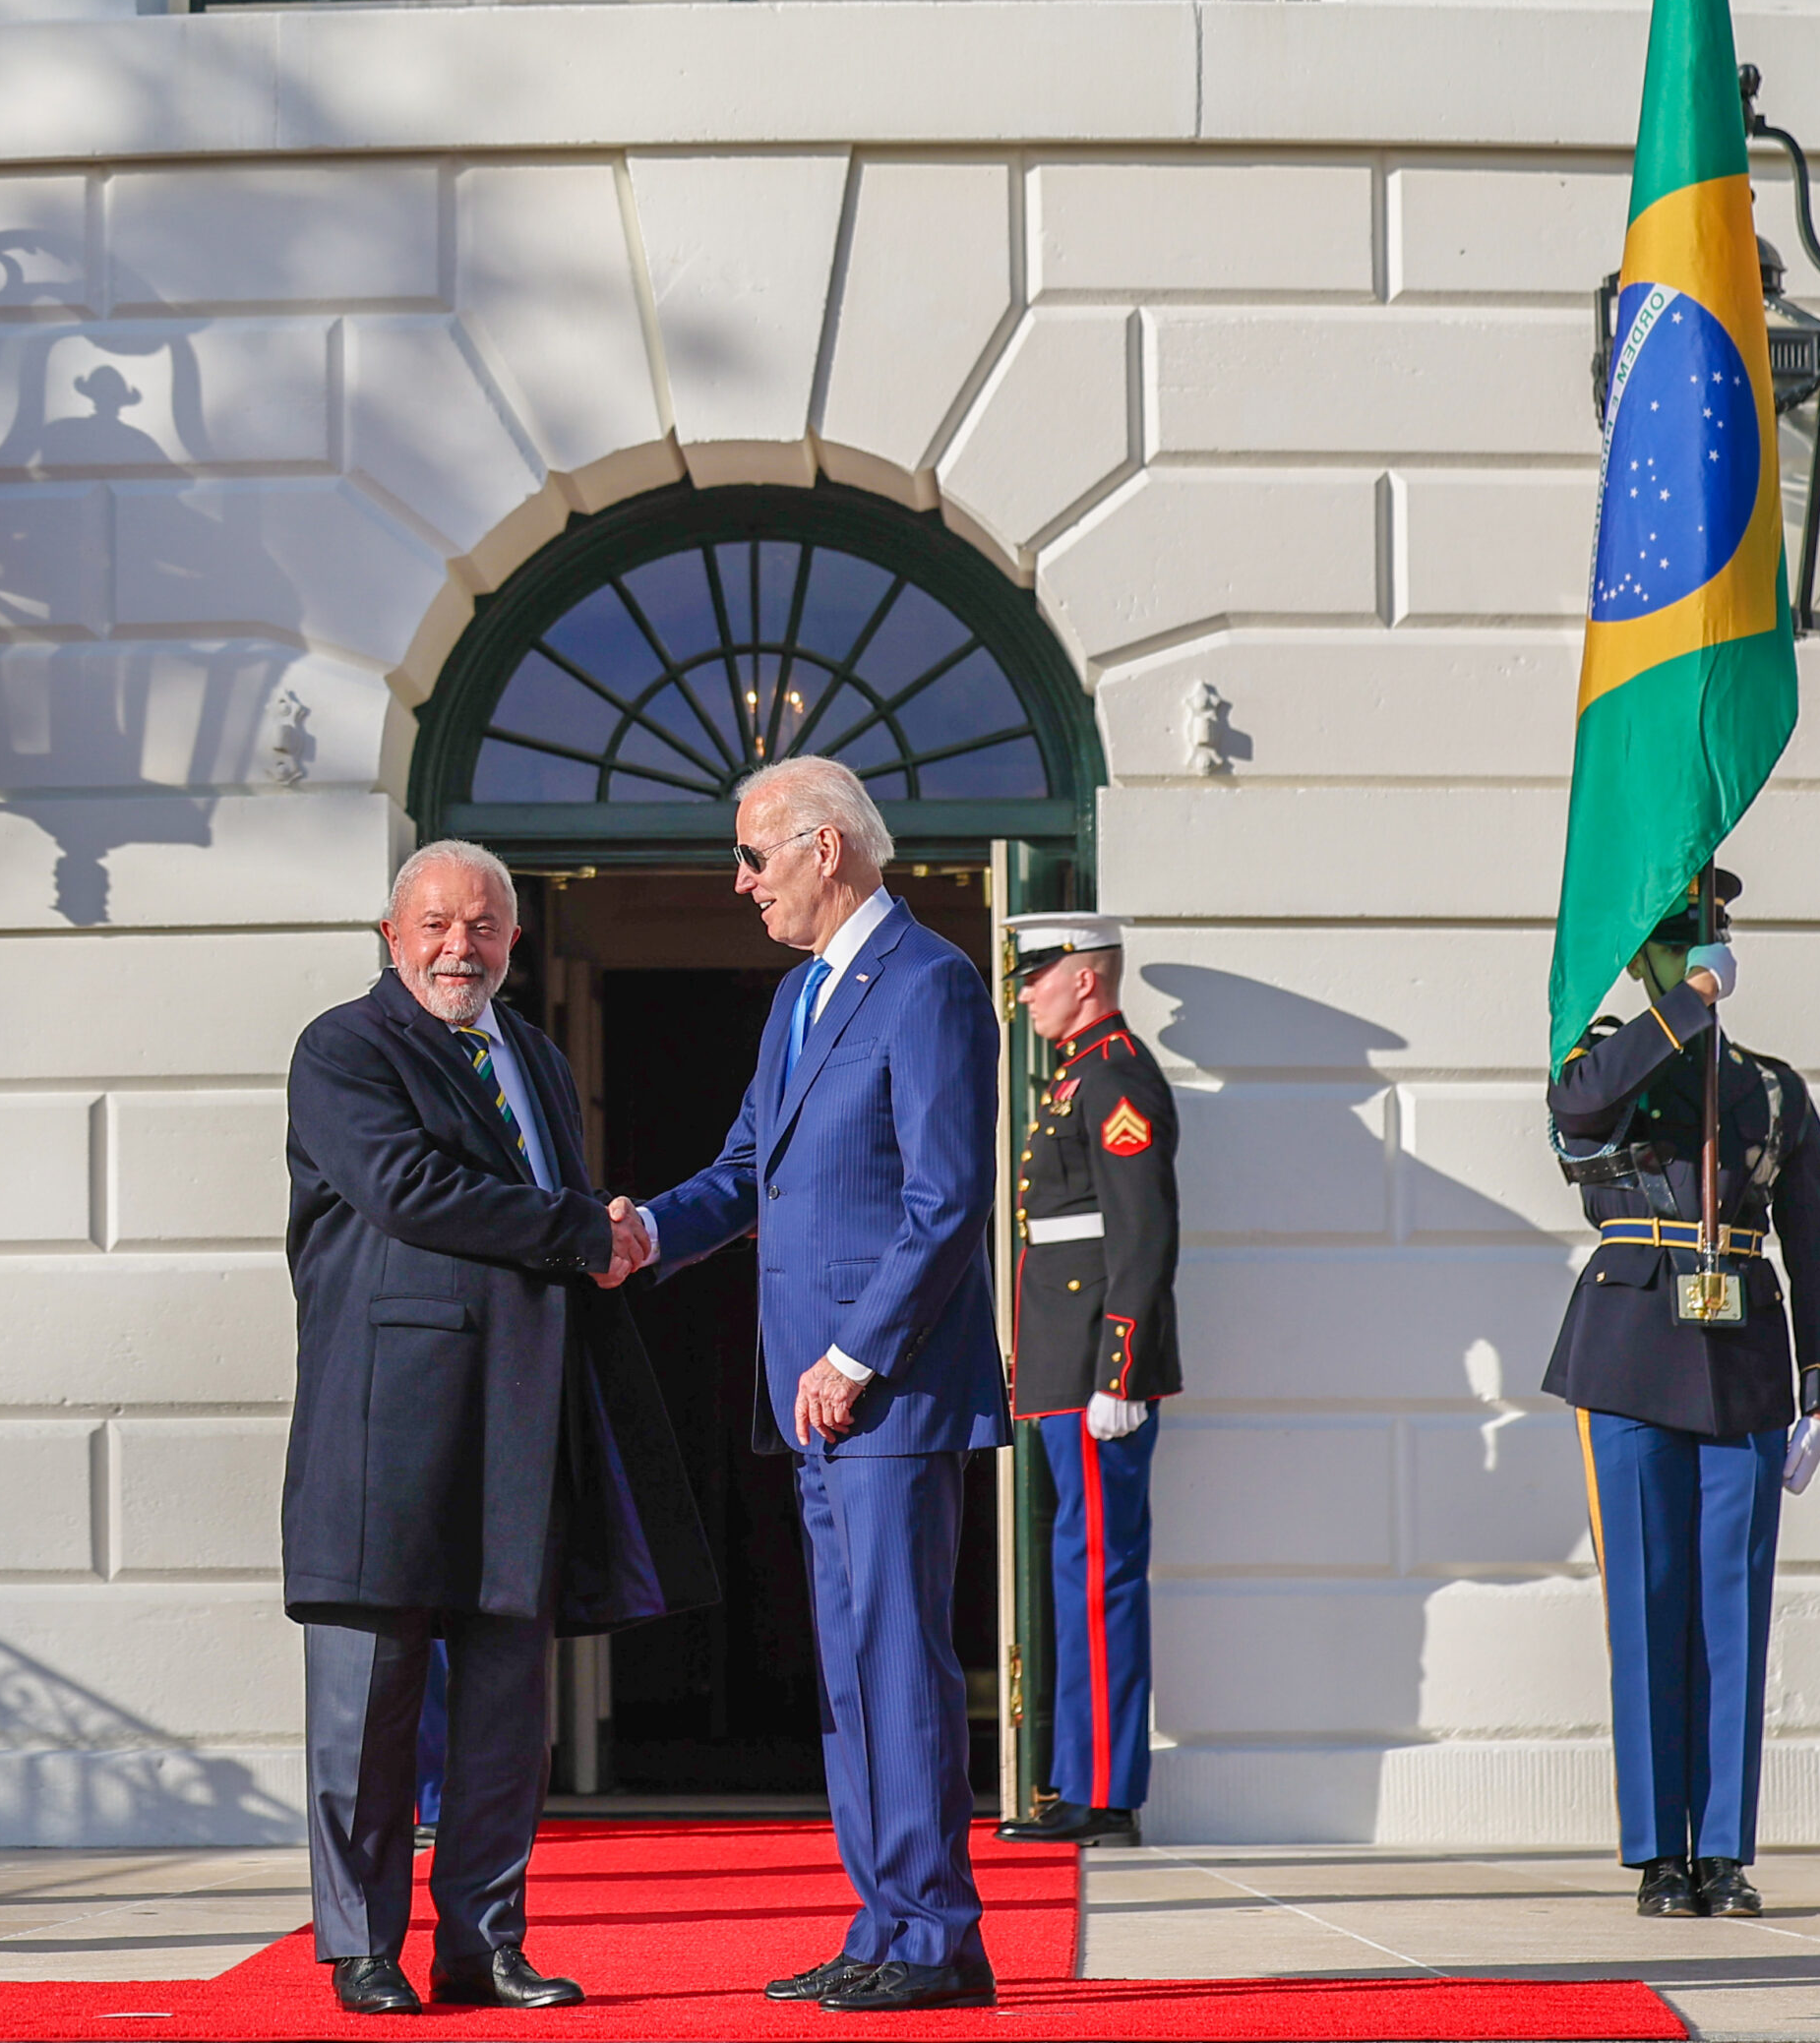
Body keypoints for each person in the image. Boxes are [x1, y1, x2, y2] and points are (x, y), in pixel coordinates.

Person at [282, 840, 715, 2017]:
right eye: (432, 924)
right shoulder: (342, 1048)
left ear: (514, 941)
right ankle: (361, 1947)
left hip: (522, 1423)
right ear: (390, 934)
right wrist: (588, 1227)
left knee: (504, 1712)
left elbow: (547, 1216)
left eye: (480, 926)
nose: (455, 946)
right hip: (385, 1431)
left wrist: (601, 1232)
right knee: (363, 1713)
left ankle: (482, 1943)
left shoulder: (528, 1051)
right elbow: (405, 1190)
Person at [634, 757, 1006, 2015]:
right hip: (813, 1400)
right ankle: (883, 1920)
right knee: (851, 1671)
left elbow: (946, 1198)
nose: (740, 883)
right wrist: (638, 1233)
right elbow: (747, 1170)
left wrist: (854, 1354)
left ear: (825, 847)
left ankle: (934, 1937)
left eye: (754, 856)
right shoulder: (798, 996)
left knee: (898, 1663)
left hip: (881, 1388)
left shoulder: (931, 985)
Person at [1545, 868, 1820, 1920]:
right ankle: (1654, 1854)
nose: (1694, 945)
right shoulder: (1602, 1056)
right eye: (1674, 935)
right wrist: (1684, 1007)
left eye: (1704, 932)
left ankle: (1719, 1849)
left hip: (1743, 1361)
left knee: (1730, 1613)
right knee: (1645, 1604)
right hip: (1626, 1356)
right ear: (1645, 956)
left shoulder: (1769, 1088)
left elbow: (1815, 1242)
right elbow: (1576, 1106)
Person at [992, 915, 1181, 1850]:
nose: (1024, 992)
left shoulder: (1111, 1077)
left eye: (1037, 975)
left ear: (1085, 977)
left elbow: (1140, 1236)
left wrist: (1122, 1368)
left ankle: (1106, 1793)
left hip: (1096, 1371)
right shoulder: (1076, 1074)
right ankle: (1077, 1779)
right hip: (1064, 1367)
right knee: (1077, 1570)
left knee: (1102, 1575)